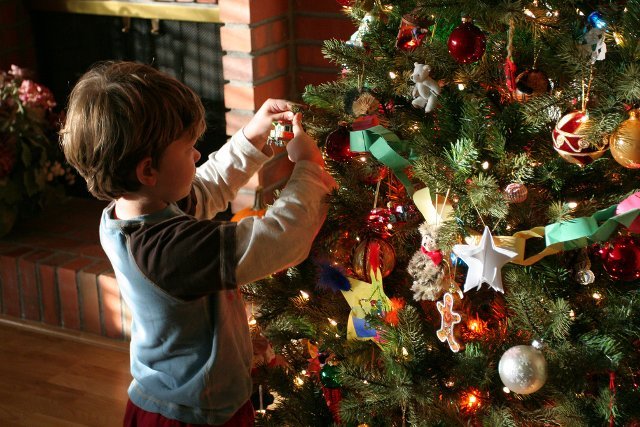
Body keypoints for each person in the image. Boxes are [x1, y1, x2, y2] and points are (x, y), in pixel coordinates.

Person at [60, 61, 336, 426]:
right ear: (148, 170)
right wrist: (309, 168)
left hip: (183, 401)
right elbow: (281, 239)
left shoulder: (136, 210)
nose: (196, 155)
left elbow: (206, 186)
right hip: (193, 414)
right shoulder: (169, 251)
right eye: (188, 147)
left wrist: (254, 138)